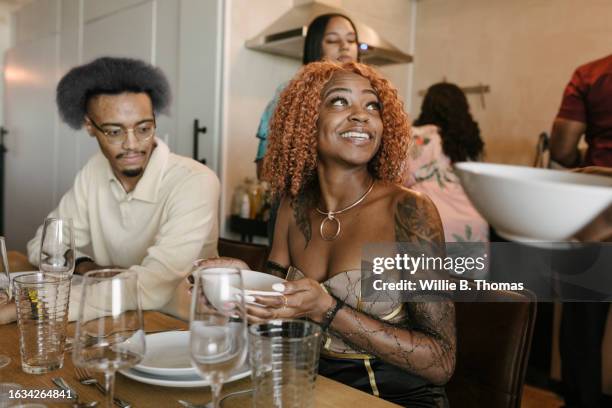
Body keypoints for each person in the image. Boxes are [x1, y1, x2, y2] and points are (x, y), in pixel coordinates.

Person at [203, 61, 456, 407]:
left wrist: (327, 310)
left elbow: (441, 361)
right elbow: (274, 307)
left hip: (397, 398)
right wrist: (236, 283)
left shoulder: (408, 210)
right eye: (340, 101)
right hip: (310, 391)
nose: (361, 115)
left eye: (372, 106)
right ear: (308, 120)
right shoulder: (292, 206)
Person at [0, 57, 220, 323]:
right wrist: (86, 266)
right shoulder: (94, 172)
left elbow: (153, 284)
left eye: (144, 129)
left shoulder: (195, 181)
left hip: (182, 329)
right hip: (114, 319)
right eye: (115, 131)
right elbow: (43, 246)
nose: (132, 145)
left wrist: (34, 304)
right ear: (90, 127)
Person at [550, 54, 612, 408]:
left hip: (600, 213)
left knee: (582, 330)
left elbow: (561, 147)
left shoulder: (591, 75)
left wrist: (585, 162)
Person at [405, 83, 488, 244]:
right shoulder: (471, 143)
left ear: (427, 106)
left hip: (430, 225)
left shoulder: (419, 138)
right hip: (473, 227)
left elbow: (397, 180)